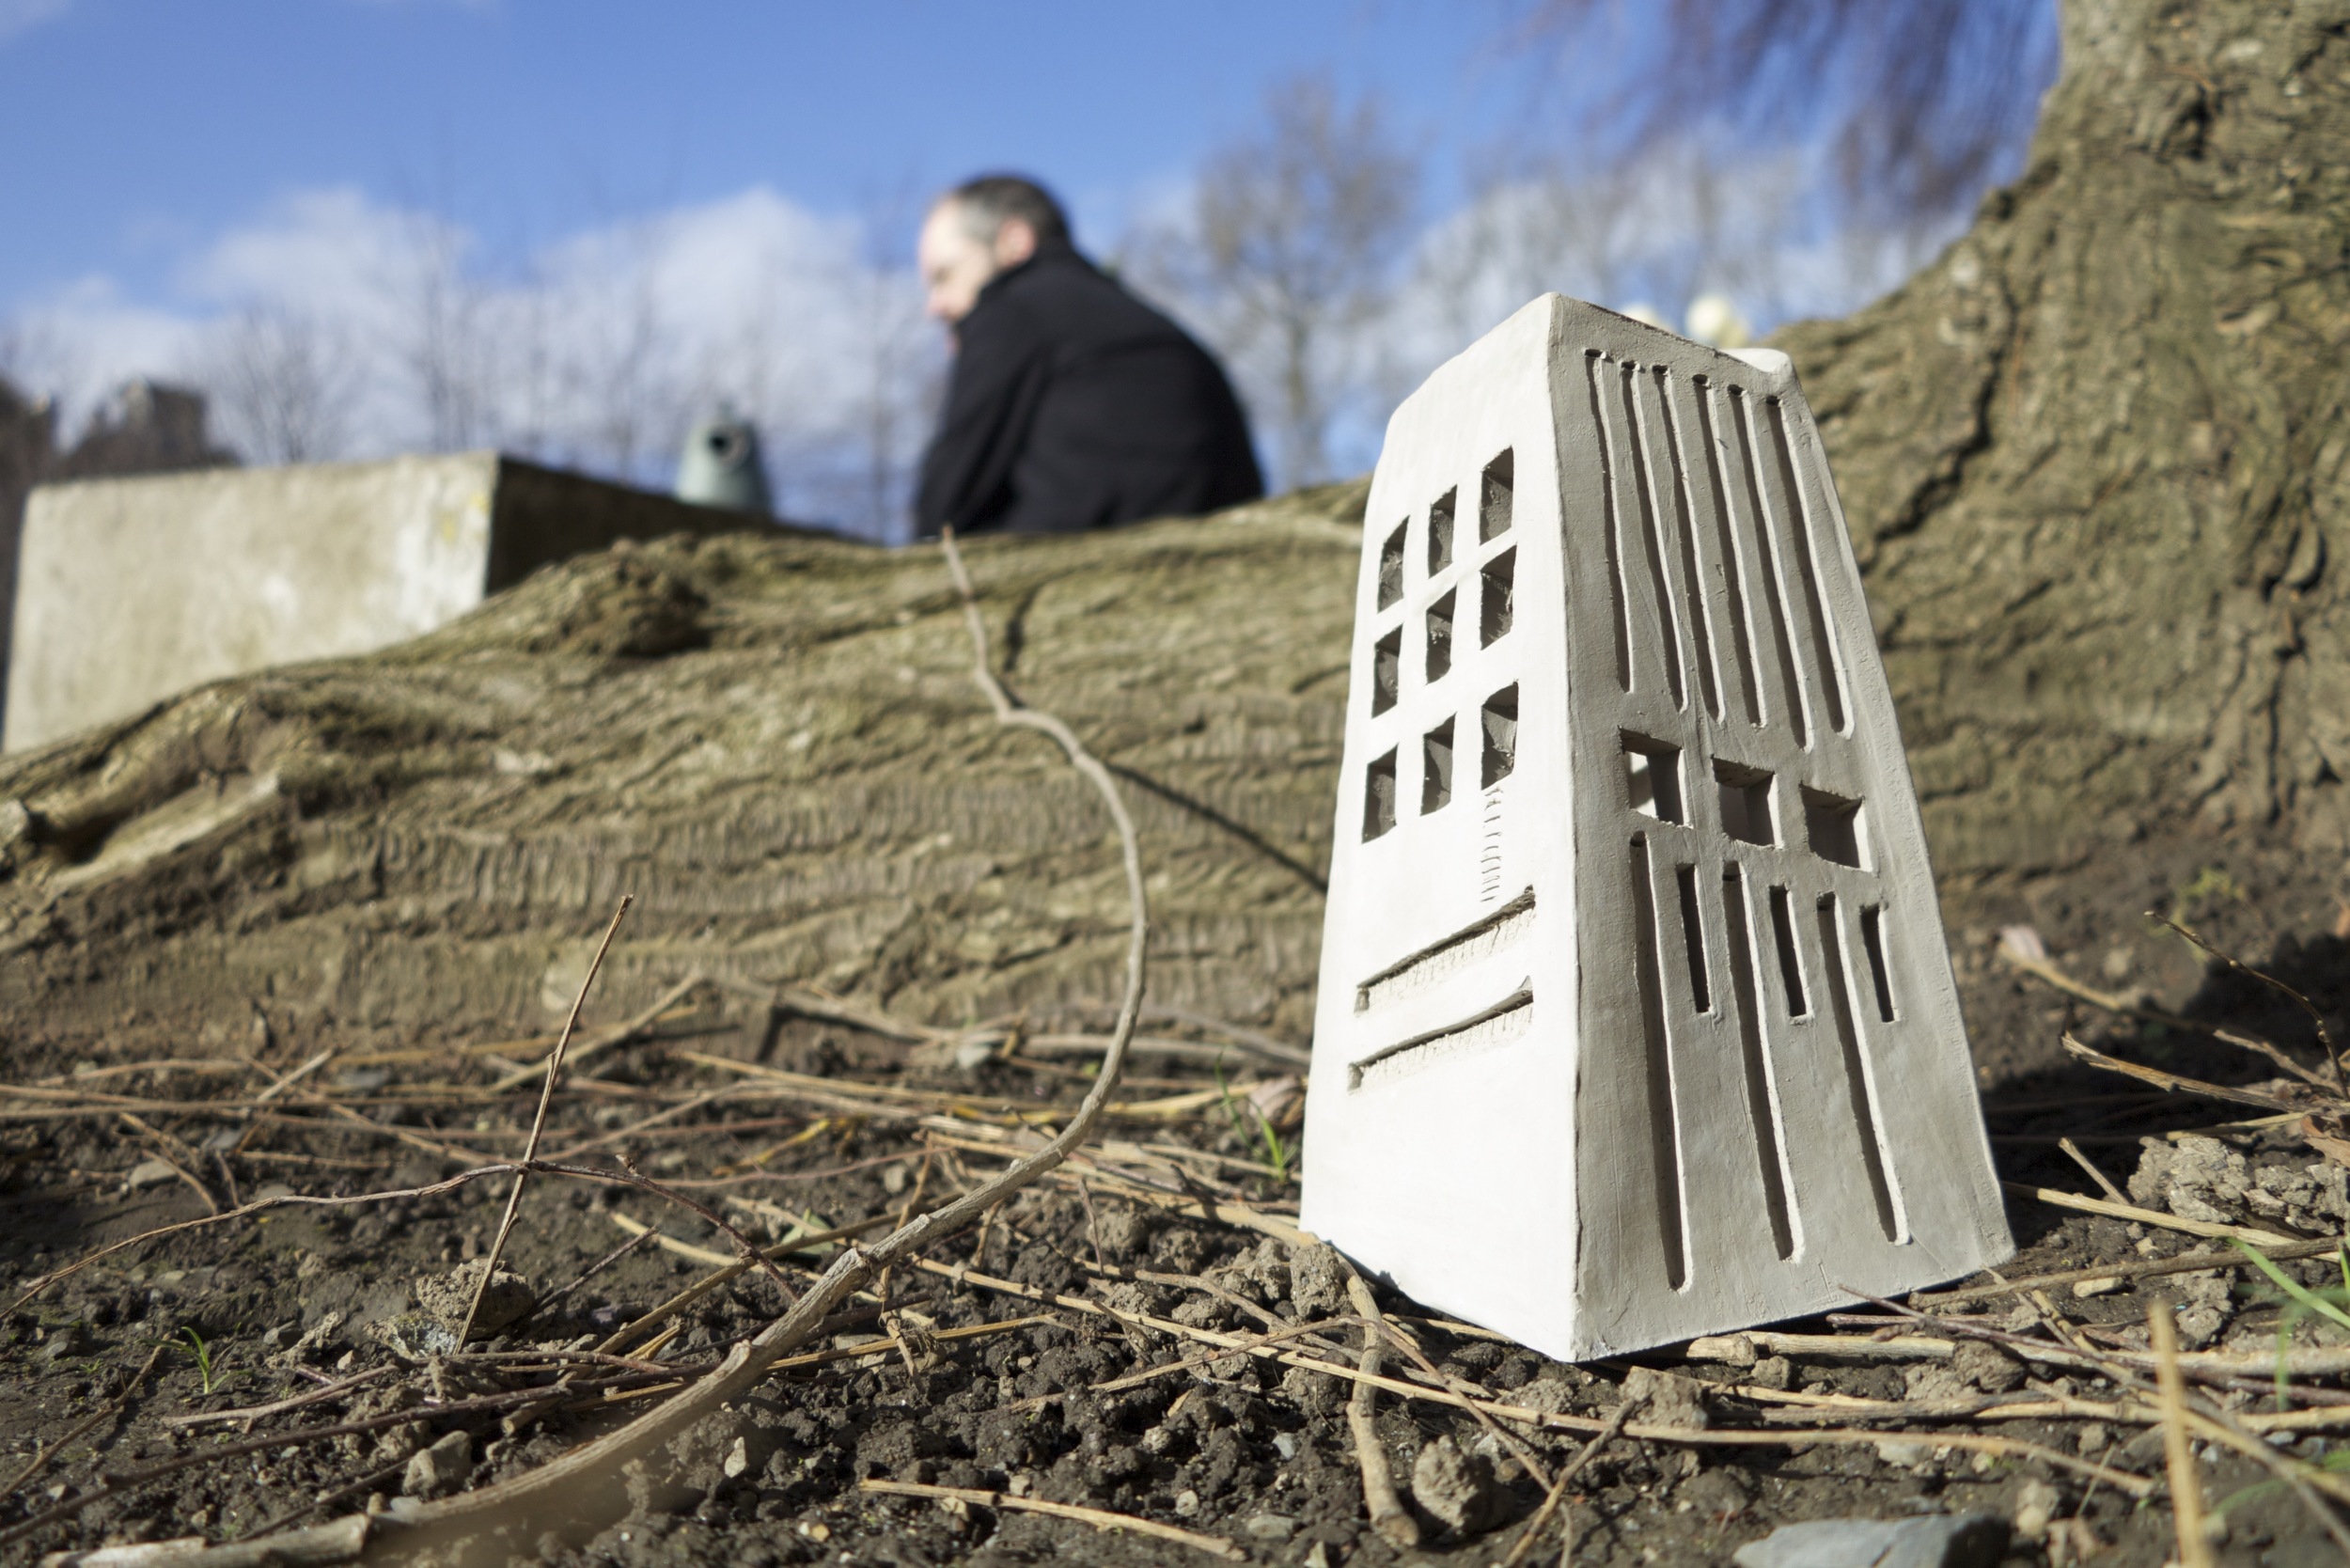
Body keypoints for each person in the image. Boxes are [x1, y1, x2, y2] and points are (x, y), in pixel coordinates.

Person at [914, 175, 1263, 538]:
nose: (933, 307)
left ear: (1015, 243)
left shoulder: (1012, 310)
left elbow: (943, 510)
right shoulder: (1160, 334)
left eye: (944, 275)